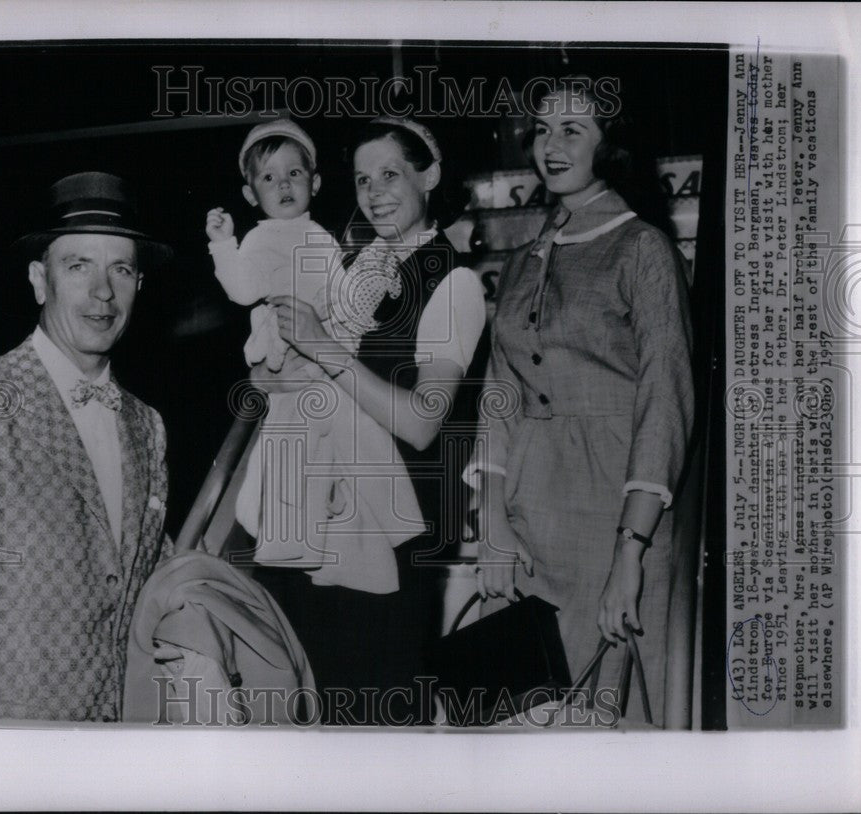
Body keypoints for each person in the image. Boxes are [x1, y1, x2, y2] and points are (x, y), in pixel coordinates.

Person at [0, 172, 173, 722]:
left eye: (120, 268)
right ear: (39, 280)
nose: (103, 292)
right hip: (6, 752)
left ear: (139, 284)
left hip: (118, 744)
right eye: (78, 266)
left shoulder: (147, 426)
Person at [469, 79, 694, 726]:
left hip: (615, 513)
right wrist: (492, 526)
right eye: (542, 129)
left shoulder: (642, 248)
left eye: (573, 129)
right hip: (527, 509)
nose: (551, 145)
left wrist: (631, 553)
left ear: (609, 146)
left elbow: (665, 399)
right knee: (514, 719)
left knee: (601, 730)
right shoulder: (521, 262)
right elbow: (499, 393)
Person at [255, 117, 486, 725]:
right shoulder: (356, 273)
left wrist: (321, 349)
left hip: (395, 541)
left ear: (429, 176)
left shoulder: (455, 283)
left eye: (390, 174)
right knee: (314, 711)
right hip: (322, 522)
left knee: (376, 720)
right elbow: (272, 379)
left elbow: (421, 423)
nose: (375, 192)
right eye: (362, 180)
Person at [206, 119, 422, 567]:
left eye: (294, 173)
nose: (283, 184)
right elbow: (243, 290)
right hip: (284, 348)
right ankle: (284, 543)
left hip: (322, 351)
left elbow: (341, 294)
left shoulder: (321, 238)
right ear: (251, 195)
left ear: (315, 182)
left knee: (354, 431)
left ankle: (393, 517)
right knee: (291, 444)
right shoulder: (261, 238)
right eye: (268, 177)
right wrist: (224, 245)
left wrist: (367, 299)